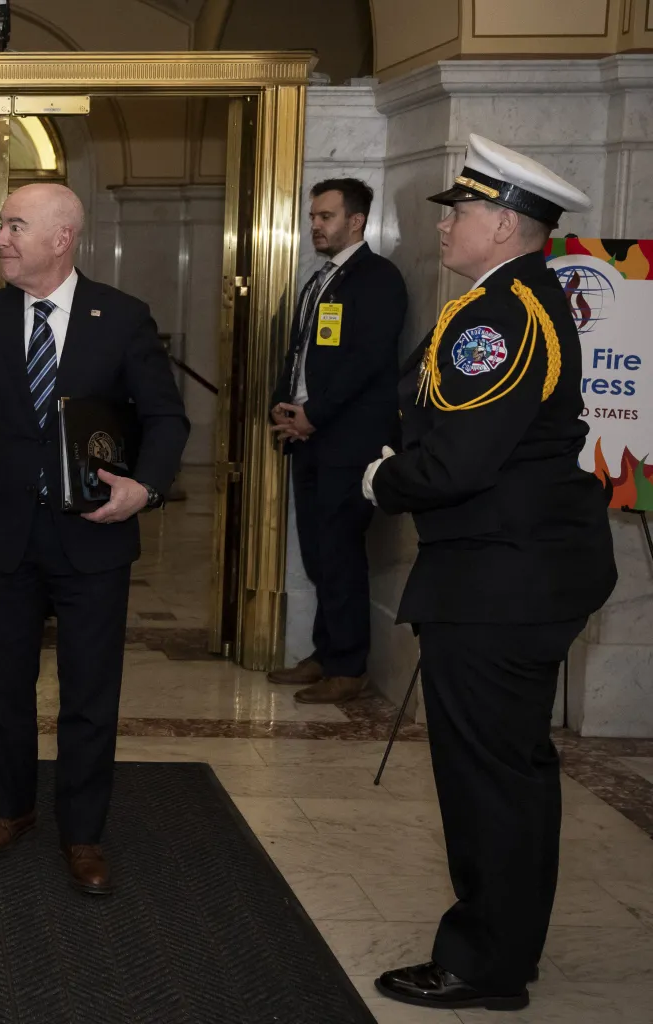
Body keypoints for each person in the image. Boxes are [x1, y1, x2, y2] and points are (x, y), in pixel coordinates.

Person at [364, 135, 616, 1012]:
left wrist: (380, 478)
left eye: (463, 211)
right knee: (514, 773)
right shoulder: (521, 297)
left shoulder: (496, 315)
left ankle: (483, 964)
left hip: (500, 578)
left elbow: (456, 461)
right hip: (526, 569)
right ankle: (510, 946)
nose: (449, 226)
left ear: (505, 224)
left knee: (488, 783)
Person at [0, 183, 189, 895]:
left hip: (94, 535)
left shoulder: (122, 318)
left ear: (63, 238)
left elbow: (166, 419)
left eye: (15, 226)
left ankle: (83, 832)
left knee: (89, 692)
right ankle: (11, 809)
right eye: (1, 225)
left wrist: (142, 489)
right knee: (4, 686)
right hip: (7, 538)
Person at [267, 179, 408, 704]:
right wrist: (282, 404)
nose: (315, 225)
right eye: (313, 216)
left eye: (325, 216)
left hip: (349, 441)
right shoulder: (318, 281)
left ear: (356, 221)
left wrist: (315, 415)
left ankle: (348, 666)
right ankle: (326, 654)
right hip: (309, 437)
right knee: (320, 553)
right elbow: (300, 351)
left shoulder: (378, 279)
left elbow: (367, 363)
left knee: (342, 551)